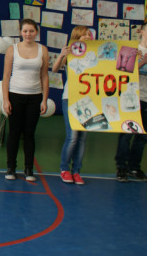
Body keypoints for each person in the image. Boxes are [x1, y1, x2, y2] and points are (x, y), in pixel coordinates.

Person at [115, 20, 147, 182]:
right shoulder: (129, 49)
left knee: (141, 137)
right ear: (141, 32)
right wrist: (142, 61)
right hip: (130, 98)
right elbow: (122, 73)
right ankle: (121, 167)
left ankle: (135, 167)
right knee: (126, 134)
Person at [2, 18, 49, 181]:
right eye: (25, 31)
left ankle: (29, 169)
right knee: (14, 133)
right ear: (20, 32)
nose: (28, 34)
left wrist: (44, 99)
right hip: (15, 95)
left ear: (36, 32)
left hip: (34, 97)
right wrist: (6, 100)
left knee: (29, 134)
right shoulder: (12, 49)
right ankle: (11, 167)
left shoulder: (43, 50)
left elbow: (44, 76)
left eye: (31, 31)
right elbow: (6, 76)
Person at [52, 25, 93, 185]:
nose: (88, 36)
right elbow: (55, 69)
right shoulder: (71, 52)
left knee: (82, 138)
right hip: (70, 98)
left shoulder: (94, 54)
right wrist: (63, 55)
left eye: (89, 34)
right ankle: (64, 169)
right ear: (77, 37)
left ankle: (76, 171)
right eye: (84, 34)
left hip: (89, 100)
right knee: (73, 137)